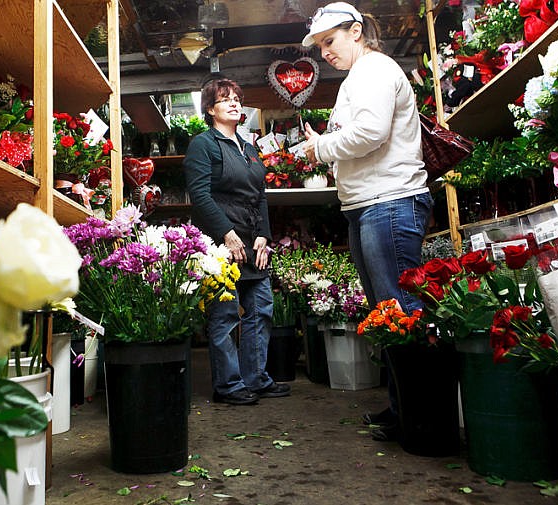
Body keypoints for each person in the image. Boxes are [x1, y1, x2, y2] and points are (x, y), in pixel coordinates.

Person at [300, 2, 433, 439]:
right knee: (388, 312)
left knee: (401, 310)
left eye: (329, 41)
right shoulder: (359, 76)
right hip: (371, 204)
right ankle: (404, 409)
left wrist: (321, 148)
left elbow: (370, 132)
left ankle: (420, 418)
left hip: (389, 202)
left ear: (356, 31)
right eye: (320, 46)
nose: (325, 53)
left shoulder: (374, 70)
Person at [184, 78, 291, 405]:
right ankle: (229, 386)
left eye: (236, 98)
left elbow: (259, 196)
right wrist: (227, 235)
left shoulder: (249, 147)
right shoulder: (204, 144)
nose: (233, 103)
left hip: (252, 238)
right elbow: (200, 195)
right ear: (210, 108)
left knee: (261, 308)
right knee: (226, 314)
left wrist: (263, 235)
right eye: (224, 99)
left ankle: (256, 379)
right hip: (221, 242)